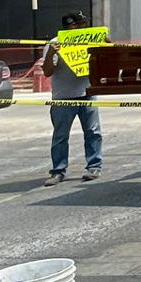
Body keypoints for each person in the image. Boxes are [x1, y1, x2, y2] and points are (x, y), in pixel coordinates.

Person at [40, 12, 102, 186]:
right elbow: (47, 72)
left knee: (93, 132)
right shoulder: (54, 43)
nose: (83, 27)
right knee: (60, 136)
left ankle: (94, 166)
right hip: (63, 98)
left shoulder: (89, 41)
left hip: (87, 94)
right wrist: (52, 52)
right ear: (70, 27)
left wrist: (106, 45)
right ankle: (58, 171)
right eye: (79, 24)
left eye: (84, 24)